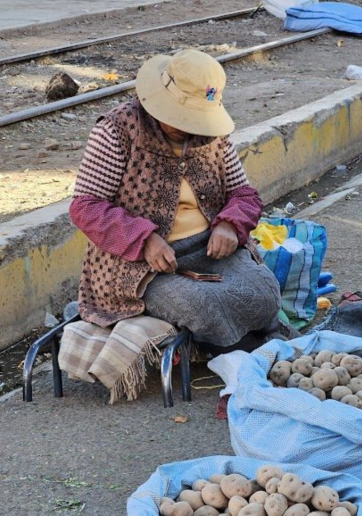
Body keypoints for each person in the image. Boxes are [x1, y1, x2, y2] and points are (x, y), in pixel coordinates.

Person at [69, 49, 283, 354]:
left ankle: (234, 342)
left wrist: (229, 225)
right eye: (183, 120)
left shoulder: (212, 134)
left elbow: (243, 194)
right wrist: (144, 240)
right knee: (202, 305)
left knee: (267, 293)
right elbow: (86, 206)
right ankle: (235, 345)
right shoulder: (117, 130)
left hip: (208, 249)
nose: (190, 129)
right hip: (140, 265)